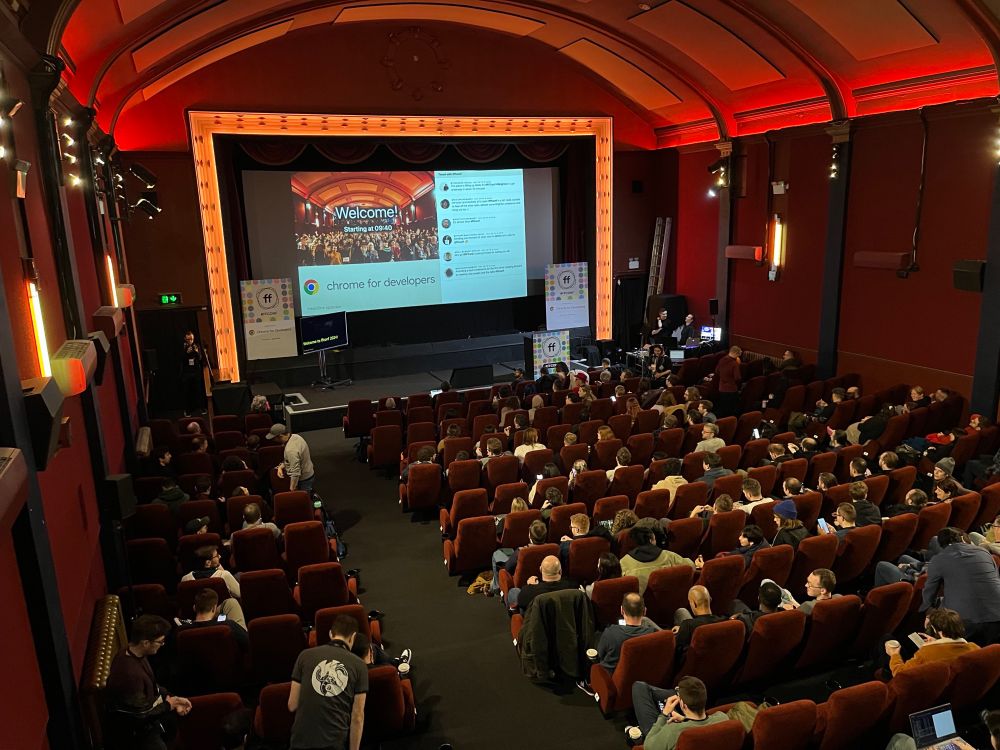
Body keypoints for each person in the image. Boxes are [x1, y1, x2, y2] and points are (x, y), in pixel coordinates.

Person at [105, 615, 192, 750]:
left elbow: (152, 687)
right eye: (160, 642)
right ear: (145, 643)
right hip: (135, 732)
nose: (163, 645)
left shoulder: (131, 653)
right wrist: (169, 705)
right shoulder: (130, 675)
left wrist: (170, 697)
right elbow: (140, 715)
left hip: (146, 716)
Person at [288, 614, 368, 750]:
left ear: (331, 634)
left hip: (300, 743)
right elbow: (357, 716)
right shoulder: (359, 665)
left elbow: (292, 705)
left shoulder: (304, 655)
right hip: (333, 744)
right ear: (353, 637)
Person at [921, 528, 1000, 644]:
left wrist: (929, 614)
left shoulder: (938, 560)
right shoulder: (984, 552)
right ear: (963, 538)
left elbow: (929, 593)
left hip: (965, 624)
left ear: (942, 545)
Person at [628, 676, 728, 750]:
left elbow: (648, 746)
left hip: (657, 737)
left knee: (639, 687)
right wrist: (684, 719)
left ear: (683, 705)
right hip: (687, 722)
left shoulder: (673, 731)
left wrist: (664, 714)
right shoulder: (723, 719)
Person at [885, 607, 980, 676]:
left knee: (886, 638)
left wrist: (894, 655)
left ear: (936, 630)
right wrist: (937, 641)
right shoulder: (975, 648)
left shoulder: (927, 653)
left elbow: (900, 674)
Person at [621, 523, 695, 594]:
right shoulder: (669, 556)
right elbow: (690, 567)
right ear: (651, 540)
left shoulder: (624, 562)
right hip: (670, 601)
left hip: (640, 605)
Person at [594, 593, 659, 672]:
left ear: (622, 610)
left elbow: (600, 655)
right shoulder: (654, 635)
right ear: (644, 611)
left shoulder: (610, 633)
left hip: (611, 680)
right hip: (642, 676)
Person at [491, 519, 547, 597]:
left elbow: (506, 569)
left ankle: (497, 589)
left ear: (529, 536)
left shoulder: (521, 552)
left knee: (496, 554)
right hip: (541, 581)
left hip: (520, 584)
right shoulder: (553, 548)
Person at [176, 588, 249, 647]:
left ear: (194, 608)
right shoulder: (229, 626)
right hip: (228, 662)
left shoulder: (181, 631)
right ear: (214, 608)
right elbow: (248, 642)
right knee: (231, 603)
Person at [510, 555, 578, 613]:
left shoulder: (529, 592)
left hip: (540, 625)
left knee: (514, 591)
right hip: (565, 623)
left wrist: (530, 587)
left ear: (540, 569)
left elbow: (521, 603)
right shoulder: (573, 586)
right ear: (560, 571)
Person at [671, 585, 725, 652]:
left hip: (687, 657)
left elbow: (674, 649)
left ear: (694, 604)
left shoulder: (688, 625)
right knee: (681, 611)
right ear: (710, 599)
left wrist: (679, 632)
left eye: (690, 602)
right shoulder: (724, 621)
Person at [268, 423, 315, 494]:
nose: (273, 440)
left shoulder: (290, 450)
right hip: (308, 473)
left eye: (274, 438)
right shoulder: (295, 436)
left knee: (303, 501)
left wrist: (292, 488)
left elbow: (295, 472)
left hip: (303, 480)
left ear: (280, 436)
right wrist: (281, 466)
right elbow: (293, 459)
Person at [180, 330, 205, 416]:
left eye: (191, 339)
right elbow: (181, 359)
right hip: (187, 373)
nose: (190, 341)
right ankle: (187, 410)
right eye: (188, 339)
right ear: (185, 339)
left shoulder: (196, 345)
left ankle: (202, 408)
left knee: (199, 391)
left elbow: (200, 358)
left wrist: (197, 352)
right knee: (187, 392)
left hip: (196, 372)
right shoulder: (183, 347)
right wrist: (186, 353)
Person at [713, 346, 742, 418]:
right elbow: (737, 378)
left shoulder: (722, 360)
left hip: (722, 388)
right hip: (731, 389)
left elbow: (717, 371)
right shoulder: (734, 363)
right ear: (735, 353)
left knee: (723, 407)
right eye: (738, 355)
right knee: (732, 409)